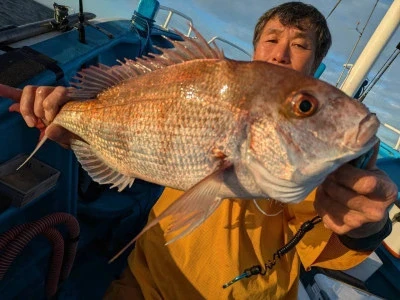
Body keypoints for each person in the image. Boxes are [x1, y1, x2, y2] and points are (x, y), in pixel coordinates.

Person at [0, 2, 397, 299]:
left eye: (299, 46)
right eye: (272, 39)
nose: (280, 53)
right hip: (147, 283)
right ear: (256, 48)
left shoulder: (321, 162)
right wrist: (68, 124)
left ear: (316, 64)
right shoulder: (215, 87)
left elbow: (334, 238)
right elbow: (131, 146)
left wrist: (367, 226)